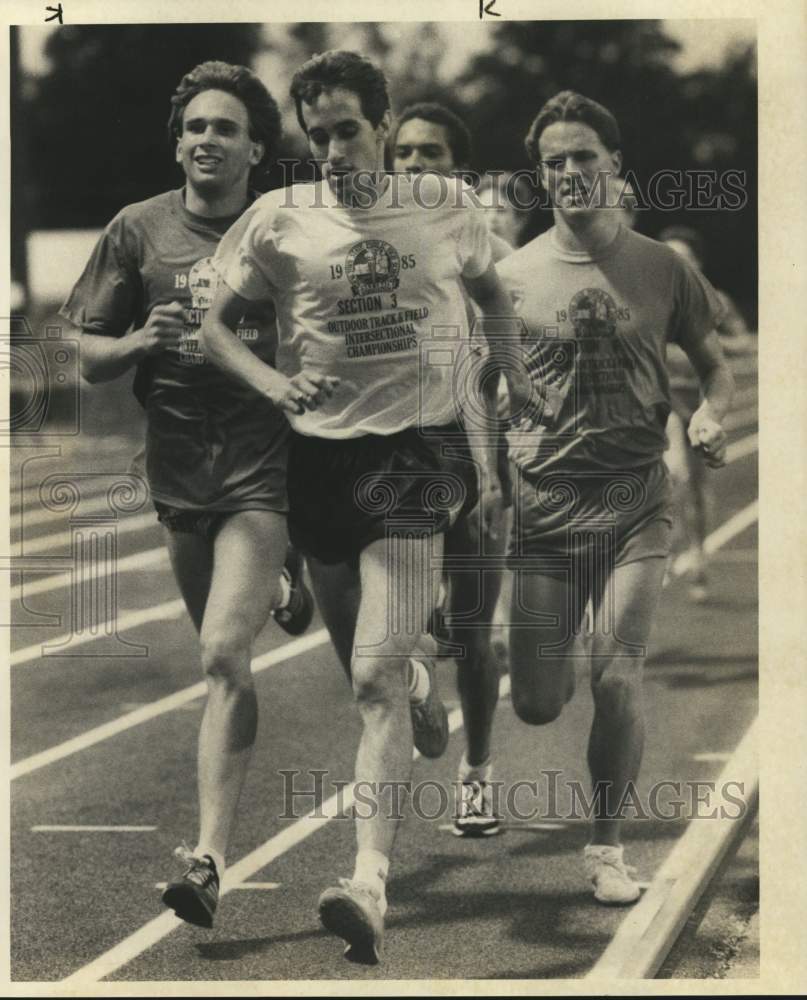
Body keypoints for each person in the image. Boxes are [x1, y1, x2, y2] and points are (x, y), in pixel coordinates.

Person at [200, 51, 513, 963]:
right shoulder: (278, 218)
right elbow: (218, 325)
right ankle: (420, 683)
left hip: (417, 451)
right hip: (321, 462)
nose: (333, 149)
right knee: (367, 668)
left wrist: (515, 374)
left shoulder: (443, 207)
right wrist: (272, 382)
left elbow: (492, 294)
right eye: (318, 134)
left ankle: (366, 881)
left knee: (371, 677)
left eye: (348, 130)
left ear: (381, 126)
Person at [60, 61, 316, 930]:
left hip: (262, 468)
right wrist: (139, 339)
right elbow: (84, 356)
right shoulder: (136, 231)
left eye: (226, 128)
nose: (208, 139)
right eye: (196, 127)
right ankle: (284, 584)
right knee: (222, 654)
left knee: (219, 657)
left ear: (255, 149)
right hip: (177, 475)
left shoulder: (284, 228)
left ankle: (206, 858)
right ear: (179, 142)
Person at [496, 91, 734, 904]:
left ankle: (606, 850)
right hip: (542, 513)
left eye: (583, 156)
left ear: (613, 166)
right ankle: (535, 651)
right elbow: (476, 384)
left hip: (635, 503)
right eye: (554, 160)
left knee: (616, 677)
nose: (569, 170)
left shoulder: (662, 266)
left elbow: (711, 361)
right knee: (534, 703)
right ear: (541, 174)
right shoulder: (508, 277)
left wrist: (708, 410)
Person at [391, 104, 519, 838]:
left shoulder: (485, 248)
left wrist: (491, 471)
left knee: (471, 628)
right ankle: (410, 671)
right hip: (390, 453)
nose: (413, 165)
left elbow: (489, 368)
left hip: (475, 450)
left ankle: (477, 776)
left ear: (458, 169)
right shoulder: (364, 242)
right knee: (386, 617)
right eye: (402, 152)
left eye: (429, 152)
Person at [659, 225, 754, 601]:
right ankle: (662, 551)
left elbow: (743, 343)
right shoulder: (647, 300)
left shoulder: (717, 301)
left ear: (696, 264)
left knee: (697, 487)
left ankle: (698, 550)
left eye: (683, 258)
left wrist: (709, 347)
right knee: (673, 473)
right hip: (659, 405)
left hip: (700, 405)